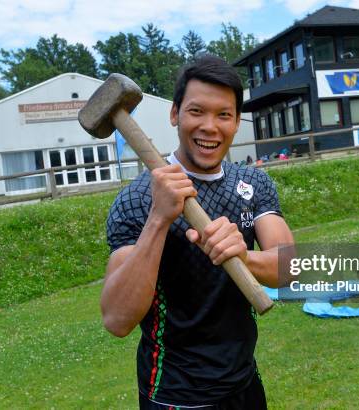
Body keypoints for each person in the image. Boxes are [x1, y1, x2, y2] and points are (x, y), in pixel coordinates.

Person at [103, 55, 294, 409]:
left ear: (237, 122)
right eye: (196, 111)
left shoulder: (253, 182)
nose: (210, 126)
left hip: (245, 384)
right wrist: (158, 219)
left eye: (224, 115)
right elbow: (116, 319)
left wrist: (242, 256)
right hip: (176, 395)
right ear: (175, 114)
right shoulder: (137, 199)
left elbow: (288, 267)